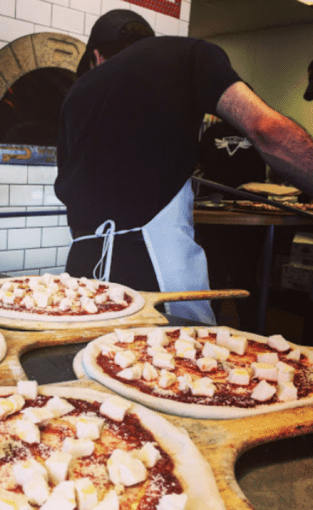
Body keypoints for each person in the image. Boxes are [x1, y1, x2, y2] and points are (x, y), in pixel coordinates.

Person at [55, 9, 313, 325]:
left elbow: (69, 189)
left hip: (82, 266)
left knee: (85, 363)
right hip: (157, 270)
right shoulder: (185, 54)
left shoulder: (74, 95)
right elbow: (265, 130)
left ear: (95, 54)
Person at [195, 117, 268, 331]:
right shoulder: (253, 128)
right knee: (222, 276)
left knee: (234, 276)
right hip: (217, 210)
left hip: (247, 212)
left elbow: (198, 163)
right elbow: (199, 163)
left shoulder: (255, 128)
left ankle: (245, 330)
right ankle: (223, 329)